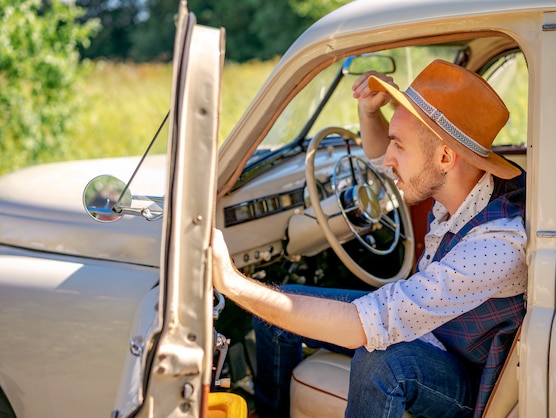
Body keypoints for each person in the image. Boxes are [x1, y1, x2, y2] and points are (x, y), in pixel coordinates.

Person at [211, 59, 527, 418]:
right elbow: (381, 160)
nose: (388, 158)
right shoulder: (463, 185)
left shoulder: (497, 244)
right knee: (276, 310)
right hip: (431, 327)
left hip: (462, 372)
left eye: (400, 146)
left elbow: (358, 328)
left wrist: (233, 283)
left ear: (444, 156)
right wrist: (369, 112)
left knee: (380, 358)